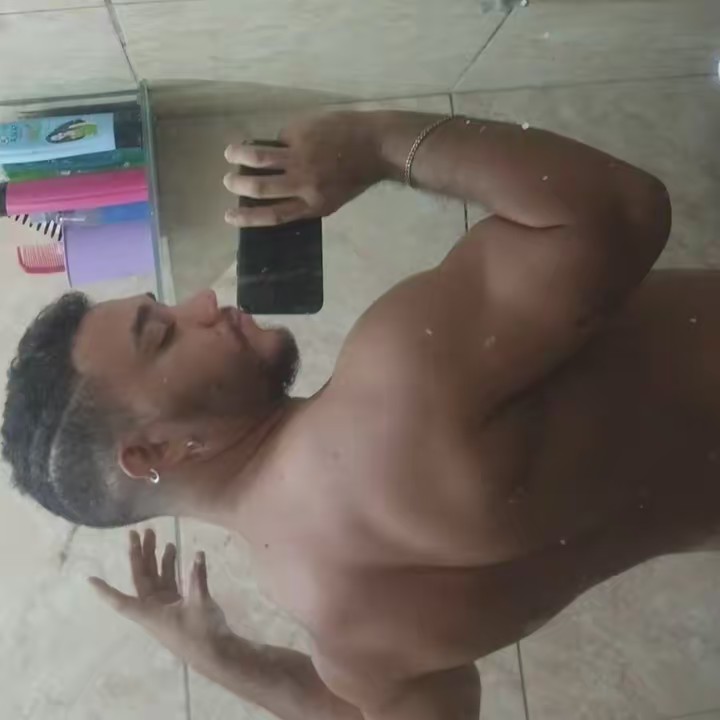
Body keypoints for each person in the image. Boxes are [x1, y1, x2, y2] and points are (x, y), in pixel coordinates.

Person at [9, 108, 716, 720]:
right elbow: (622, 211)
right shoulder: (399, 383)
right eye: (162, 334)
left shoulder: (343, 627)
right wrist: (378, 144)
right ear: (157, 451)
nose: (201, 303)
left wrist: (221, 656)